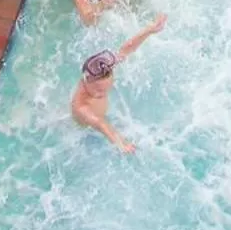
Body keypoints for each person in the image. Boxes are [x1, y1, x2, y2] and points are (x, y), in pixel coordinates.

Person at [70, 14, 167, 153]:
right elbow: (100, 124)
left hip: (102, 121)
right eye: (98, 91)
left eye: (105, 89)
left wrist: (149, 30)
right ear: (86, 79)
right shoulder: (81, 106)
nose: (102, 93)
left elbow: (125, 50)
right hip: (84, 133)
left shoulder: (102, 70)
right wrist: (121, 144)